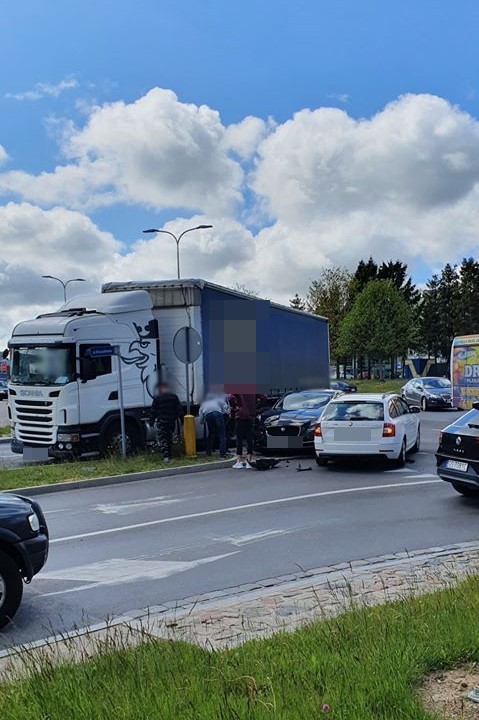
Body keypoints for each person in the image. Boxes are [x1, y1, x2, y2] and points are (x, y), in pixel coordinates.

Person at [150, 382, 184, 461]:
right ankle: (170, 453)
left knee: (163, 438)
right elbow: (179, 409)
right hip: (171, 420)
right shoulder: (174, 397)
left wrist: (151, 421)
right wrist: (182, 419)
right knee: (169, 437)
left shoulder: (157, 398)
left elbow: (153, 411)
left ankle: (166, 455)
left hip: (162, 421)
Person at [199, 392, 229, 458]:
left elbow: (201, 414)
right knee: (222, 434)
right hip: (217, 413)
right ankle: (223, 454)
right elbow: (225, 406)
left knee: (211, 433)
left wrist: (202, 422)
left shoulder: (204, 403)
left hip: (208, 415)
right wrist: (225, 412)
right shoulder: (217, 398)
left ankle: (208, 452)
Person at [232, 393, 257, 469]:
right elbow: (264, 397)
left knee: (239, 439)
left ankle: (239, 461)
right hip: (250, 416)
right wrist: (255, 407)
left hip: (240, 416)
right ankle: (248, 461)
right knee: (249, 438)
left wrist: (235, 408)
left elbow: (230, 398)